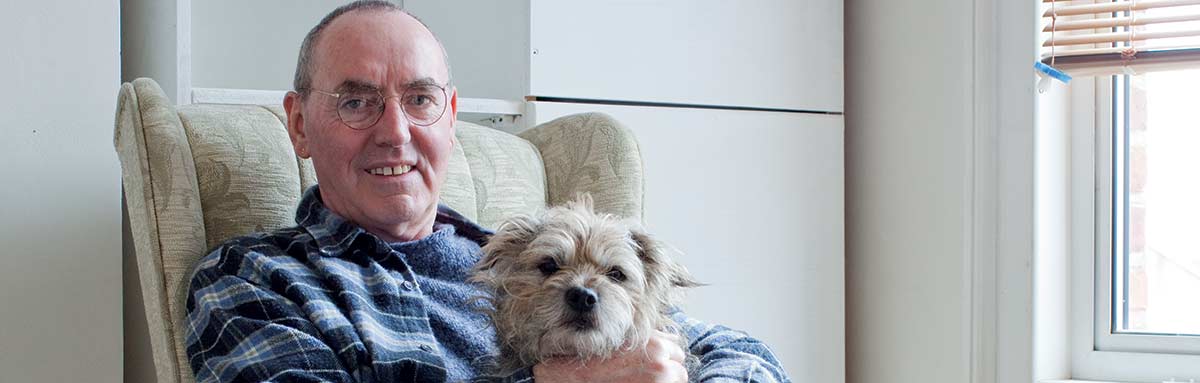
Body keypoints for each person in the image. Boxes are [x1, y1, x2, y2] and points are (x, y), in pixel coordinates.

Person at [184, 1, 791, 382]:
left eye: (420, 100)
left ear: (450, 117)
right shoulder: (253, 279)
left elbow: (746, 353)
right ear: (298, 123)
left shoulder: (516, 256)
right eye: (356, 101)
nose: (395, 133)